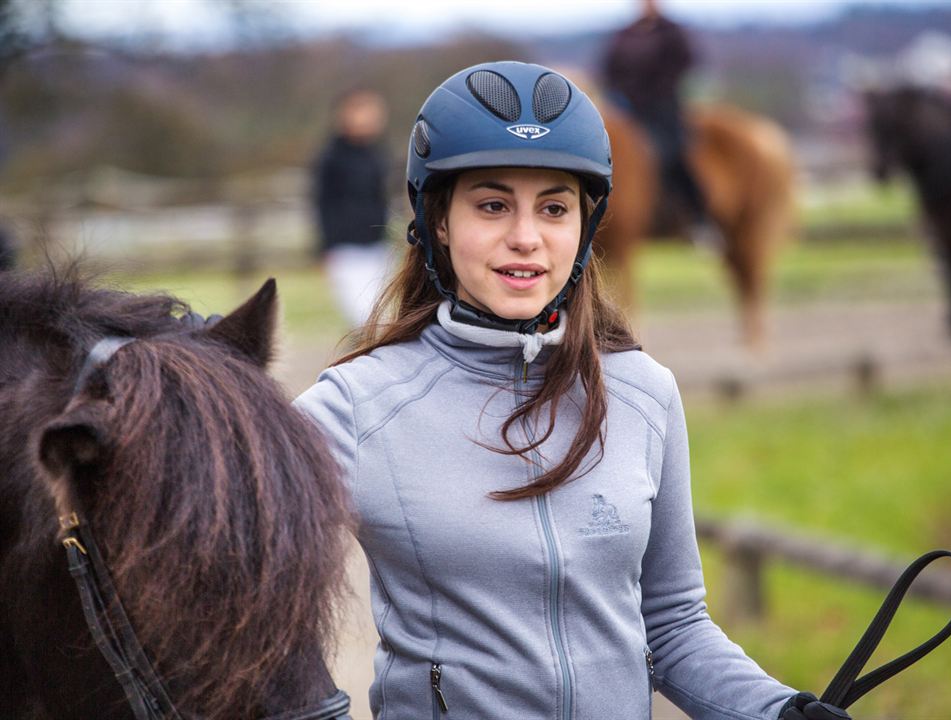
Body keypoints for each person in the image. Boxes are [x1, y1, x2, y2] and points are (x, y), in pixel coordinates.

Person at [296, 61, 846, 720]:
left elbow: (671, 627)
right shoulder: (355, 407)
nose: (526, 237)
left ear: (585, 226)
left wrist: (780, 709)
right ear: (437, 220)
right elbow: (240, 609)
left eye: (554, 207)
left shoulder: (645, 393)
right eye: (492, 205)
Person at [601, 0, 718, 247]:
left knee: (673, 153)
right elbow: (609, 68)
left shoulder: (672, 33)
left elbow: (681, 65)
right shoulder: (625, 34)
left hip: (662, 109)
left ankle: (698, 217)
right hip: (627, 110)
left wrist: (653, 94)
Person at [313, 88, 391, 327]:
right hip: (346, 246)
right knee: (362, 315)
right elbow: (321, 202)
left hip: (376, 243)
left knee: (380, 311)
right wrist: (326, 245)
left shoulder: (377, 154)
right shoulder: (331, 158)